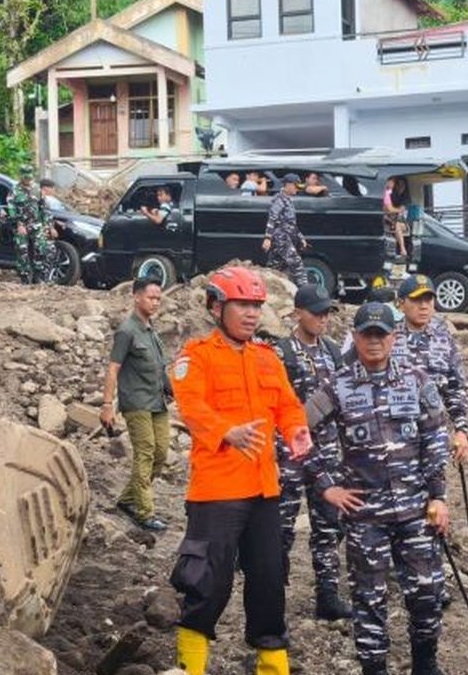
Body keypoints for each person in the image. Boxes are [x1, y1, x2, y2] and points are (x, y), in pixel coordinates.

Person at [168, 266, 313, 675]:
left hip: (264, 489)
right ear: (217, 307)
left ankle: (272, 665)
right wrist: (225, 431)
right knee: (207, 583)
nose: (251, 314)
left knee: (269, 580)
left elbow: (287, 404)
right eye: (242, 305)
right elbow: (191, 406)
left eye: (256, 306)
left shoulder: (267, 358)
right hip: (216, 491)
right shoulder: (196, 356)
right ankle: (190, 667)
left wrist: (296, 429)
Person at [305, 301, 451, 675]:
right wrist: (326, 486)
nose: (374, 341)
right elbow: (297, 433)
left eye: (381, 334)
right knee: (369, 600)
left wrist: (439, 496)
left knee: (427, 593)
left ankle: (425, 663)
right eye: (366, 334)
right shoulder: (336, 385)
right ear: (354, 337)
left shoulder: (416, 381)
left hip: (416, 511)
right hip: (364, 515)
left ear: (394, 337)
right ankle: (374, 668)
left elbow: (434, 437)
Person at [272, 284, 353, 621]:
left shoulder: (334, 352)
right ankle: (272, 595)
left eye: (326, 312)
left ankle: (328, 595)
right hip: (289, 453)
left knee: (328, 527)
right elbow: (272, 404)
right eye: (316, 312)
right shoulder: (281, 353)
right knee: (281, 528)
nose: (323, 318)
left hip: (328, 452)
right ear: (297, 312)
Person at [101, 277, 172, 532]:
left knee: (161, 453)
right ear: (136, 297)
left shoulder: (150, 331)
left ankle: (128, 499)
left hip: (157, 402)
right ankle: (144, 512)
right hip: (137, 402)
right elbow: (112, 370)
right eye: (150, 297)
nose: (155, 302)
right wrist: (107, 404)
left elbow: (159, 367)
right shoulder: (127, 331)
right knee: (145, 452)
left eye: (158, 298)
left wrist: (172, 389)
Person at [391, 275, 468, 465]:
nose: (424, 306)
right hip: (393, 431)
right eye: (417, 300)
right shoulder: (387, 337)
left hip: (433, 430)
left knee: (434, 489)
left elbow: (455, 388)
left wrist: (461, 430)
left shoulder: (443, 338)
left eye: (428, 299)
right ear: (401, 304)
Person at [7, 169, 55, 284]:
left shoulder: (37, 190)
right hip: (21, 226)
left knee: (41, 249)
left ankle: (39, 276)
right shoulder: (14, 191)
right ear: (21, 176)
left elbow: (44, 209)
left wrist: (49, 226)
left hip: (36, 225)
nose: (27, 180)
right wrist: (18, 224)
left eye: (29, 177)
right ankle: (25, 277)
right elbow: (11, 209)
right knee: (22, 251)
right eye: (25, 177)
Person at [263, 174, 308, 285]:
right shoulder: (279, 200)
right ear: (288, 185)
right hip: (281, 237)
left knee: (274, 266)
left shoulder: (289, 201)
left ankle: (265, 286)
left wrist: (301, 237)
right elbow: (272, 219)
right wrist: (267, 238)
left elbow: (292, 223)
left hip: (287, 236)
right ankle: (305, 289)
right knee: (297, 263)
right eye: (296, 186)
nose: (297, 190)